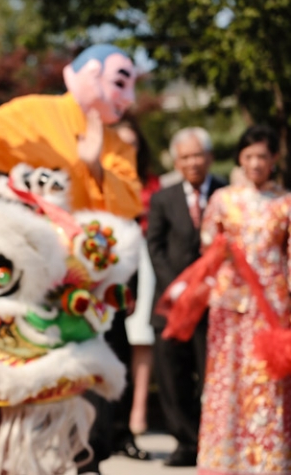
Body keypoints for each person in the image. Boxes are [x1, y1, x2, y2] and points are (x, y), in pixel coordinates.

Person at [0, 43, 142, 219]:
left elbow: (130, 207)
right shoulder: (36, 113)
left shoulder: (119, 146)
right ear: (92, 74)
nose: (130, 98)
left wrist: (95, 167)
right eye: (120, 83)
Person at [194, 125, 291, 474]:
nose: (255, 163)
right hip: (230, 303)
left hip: (272, 306)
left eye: (262, 156)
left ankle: (266, 458)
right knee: (227, 378)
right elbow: (207, 246)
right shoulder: (224, 200)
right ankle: (224, 459)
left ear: (274, 159)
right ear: (239, 158)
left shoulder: (285, 203)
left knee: (267, 380)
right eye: (248, 156)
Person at [147, 127, 227, 466]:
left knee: (211, 374)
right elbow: (155, 246)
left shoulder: (227, 193)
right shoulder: (163, 199)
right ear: (176, 162)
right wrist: (180, 288)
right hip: (173, 303)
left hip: (217, 302)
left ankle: (214, 441)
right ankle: (184, 441)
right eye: (185, 157)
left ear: (209, 157)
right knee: (172, 373)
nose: (192, 162)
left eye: (198, 155)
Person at [117, 116, 159, 437]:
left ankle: (138, 413)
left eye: (132, 144)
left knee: (141, 336)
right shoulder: (93, 178)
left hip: (143, 263)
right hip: (107, 261)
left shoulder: (151, 183)